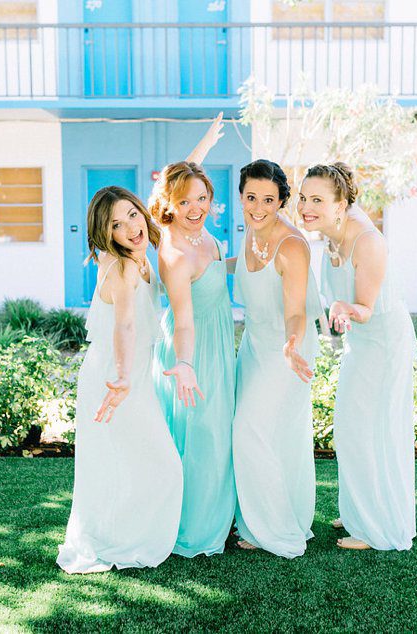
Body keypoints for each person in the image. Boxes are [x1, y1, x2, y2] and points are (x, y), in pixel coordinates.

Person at [57, 186, 182, 574]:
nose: (130, 226)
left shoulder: (136, 254)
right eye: (116, 224)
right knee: (158, 462)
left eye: (132, 214)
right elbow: (124, 324)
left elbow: (167, 188)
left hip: (125, 373)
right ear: (105, 233)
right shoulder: (125, 265)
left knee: (127, 461)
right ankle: (121, 540)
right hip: (114, 375)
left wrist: (201, 152)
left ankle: (120, 534)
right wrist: (125, 377)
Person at [299, 163, 417, 551]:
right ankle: (356, 509)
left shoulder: (367, 240)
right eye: (303, 198)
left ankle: (375, 527)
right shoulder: (330, 235)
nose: (305, 206)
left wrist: (343, 307)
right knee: (350, 428)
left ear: (341, 204)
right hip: (361, 346)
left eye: (316, 200)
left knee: (373, 431)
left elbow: (365, 308)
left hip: (383, 346)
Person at [230, 159, 322, 558]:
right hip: (255, 344)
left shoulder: (292, 246)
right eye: (251, 197)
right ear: (241, 197)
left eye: (268, 199)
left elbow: (296, 310)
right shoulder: (250, 232)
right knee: (274, 434)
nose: (258, 207)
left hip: (289, 348)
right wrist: (199, 268)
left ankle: (277, 528)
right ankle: (261, 518)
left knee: (250, 428)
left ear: (282, 200)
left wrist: (290, 344)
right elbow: (245, 274)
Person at [151, 161, 237, 558]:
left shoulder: (207, 238)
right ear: (170, 202)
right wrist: (185, 366)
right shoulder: (174, 251)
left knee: (219, 434)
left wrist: (260, 261)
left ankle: (221, 515)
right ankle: (193, 527)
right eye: (184, 201)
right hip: (193, 351)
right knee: (200, 437)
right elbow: (184, 323)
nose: (196, 207)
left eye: (202, 198)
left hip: (218, 343)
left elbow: (219, 272)